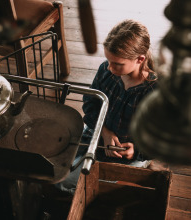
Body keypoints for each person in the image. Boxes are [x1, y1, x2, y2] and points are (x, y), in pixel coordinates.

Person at [56, 19, 158, 194]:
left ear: (140, 59)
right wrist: (104, 132)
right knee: (57, 171)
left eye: (118, 64)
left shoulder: (155, 92)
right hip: (96, 133)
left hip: (126, 151)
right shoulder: (106, 70)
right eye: (108, 61)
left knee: (74, 184)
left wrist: (135, 152)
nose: (110, 68)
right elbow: (90, 104)